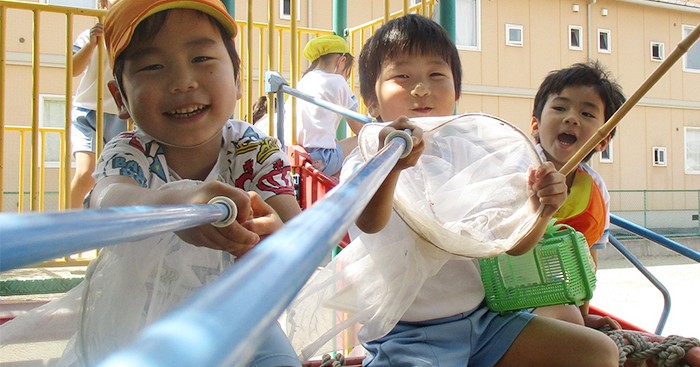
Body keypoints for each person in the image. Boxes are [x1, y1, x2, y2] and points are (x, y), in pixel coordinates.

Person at [287, 14, 619, 366]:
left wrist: (543, 208)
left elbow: (517, 245)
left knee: (597, 352)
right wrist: (394, 168)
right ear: (371, 100)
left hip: (484, 321)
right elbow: (371, 224)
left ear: (456, 92)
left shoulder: (472, 155)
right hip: (409, 333)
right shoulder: (367, 157)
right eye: (402, 76)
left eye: (436, 75)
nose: (421, 89)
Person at [0, 0, 302, 366]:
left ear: (238, 80)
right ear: (120, 98)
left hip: (241, 312)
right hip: (141, 320)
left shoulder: (253, 148)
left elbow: (295, 225)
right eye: (152, 66)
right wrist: (177, 202)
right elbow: (109, 198)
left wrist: (275, 238)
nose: (182, 82)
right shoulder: (130, 150)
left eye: (201, 59)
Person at [530, 61, 700, 367]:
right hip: (505, 301)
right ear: (534, 126)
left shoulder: (596, 190)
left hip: (558, 304)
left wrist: (585, 316)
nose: (571, 118)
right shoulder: (516, 169)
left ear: (603, 139)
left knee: (582, 321)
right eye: (560, 108)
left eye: (587, 114)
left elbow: (588, 265)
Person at [69, 0, 127, 209]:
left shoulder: (135, 34)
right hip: (88, 110)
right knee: (86, 173)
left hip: (122, 114)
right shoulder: (90, 35)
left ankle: (112, 229)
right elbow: (72, 69)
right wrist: (92, 43)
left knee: (118, 176)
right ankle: (68, 228)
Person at [283, 34, 365, 176]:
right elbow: (359, 128)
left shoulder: (302, 83)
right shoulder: (338, 82)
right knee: (366, 139)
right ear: (342, 61)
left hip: (294, 154)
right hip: (322, 158)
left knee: (337, 144)